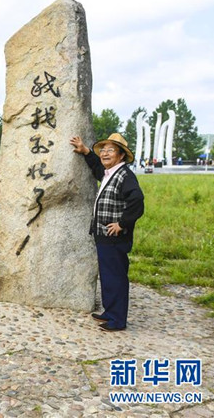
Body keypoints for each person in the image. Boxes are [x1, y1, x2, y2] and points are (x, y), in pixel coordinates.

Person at [70, 133, 145, 332]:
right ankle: (110, 312)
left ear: (121, 155)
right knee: (108, 276)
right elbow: (97, 167)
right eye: (103, 150)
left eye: (110, 150)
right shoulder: (109, 173)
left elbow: (137, 200)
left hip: (115, 237)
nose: (104, 153)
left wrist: (122, 223)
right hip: (104, 236)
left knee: (115, 277)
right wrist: (86, 151)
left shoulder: (125, 175)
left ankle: (117, 320)